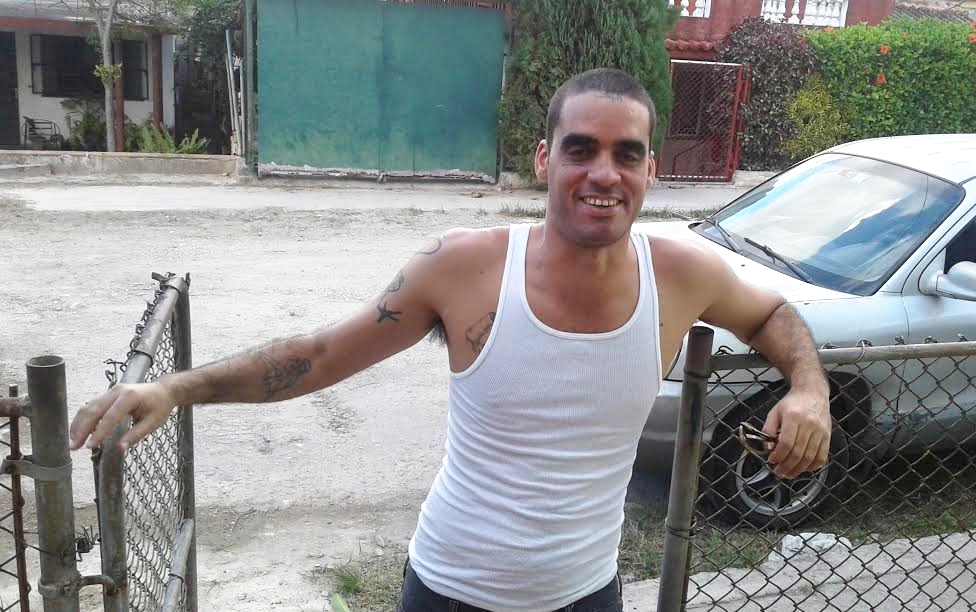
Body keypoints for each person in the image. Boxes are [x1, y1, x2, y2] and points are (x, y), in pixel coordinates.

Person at [70, 68, 831, 612]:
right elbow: (321, 354)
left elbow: (773, 314)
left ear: (651, 170)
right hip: (451, 590)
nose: (604, 173)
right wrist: (174, 388)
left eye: (626, 153)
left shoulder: (684, 273)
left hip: (588, 593)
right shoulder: (464, 266)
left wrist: (809, 389)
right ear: (544, 158)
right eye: (580, 149)